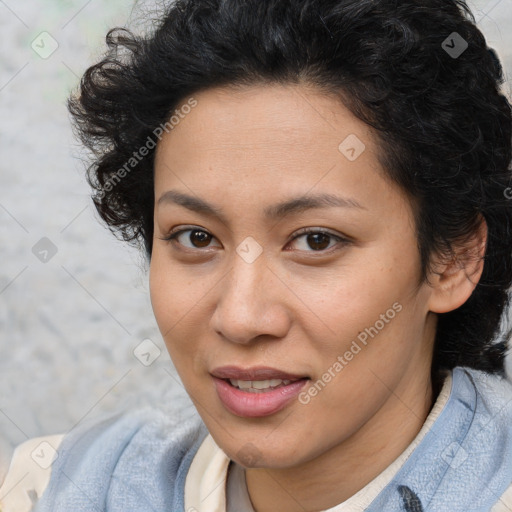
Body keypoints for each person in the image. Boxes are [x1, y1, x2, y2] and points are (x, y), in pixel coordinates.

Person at [1, 0, 512, 510]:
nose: (240, 318)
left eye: (316, 240)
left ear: (453, 259)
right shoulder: (55, 488)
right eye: (196, 238)